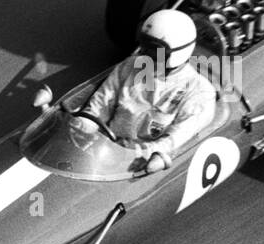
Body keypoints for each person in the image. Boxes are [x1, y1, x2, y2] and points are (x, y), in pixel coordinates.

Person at [76, 9, 216, 171]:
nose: (144, 53)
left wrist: (148, 153)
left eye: (153, 50)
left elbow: (173, 141)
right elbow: (100, 106)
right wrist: (83, 125)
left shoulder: (199, 94)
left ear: (176, 52)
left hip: (135, 163)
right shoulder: (130, 65)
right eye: (144, 45)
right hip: (102, 150)